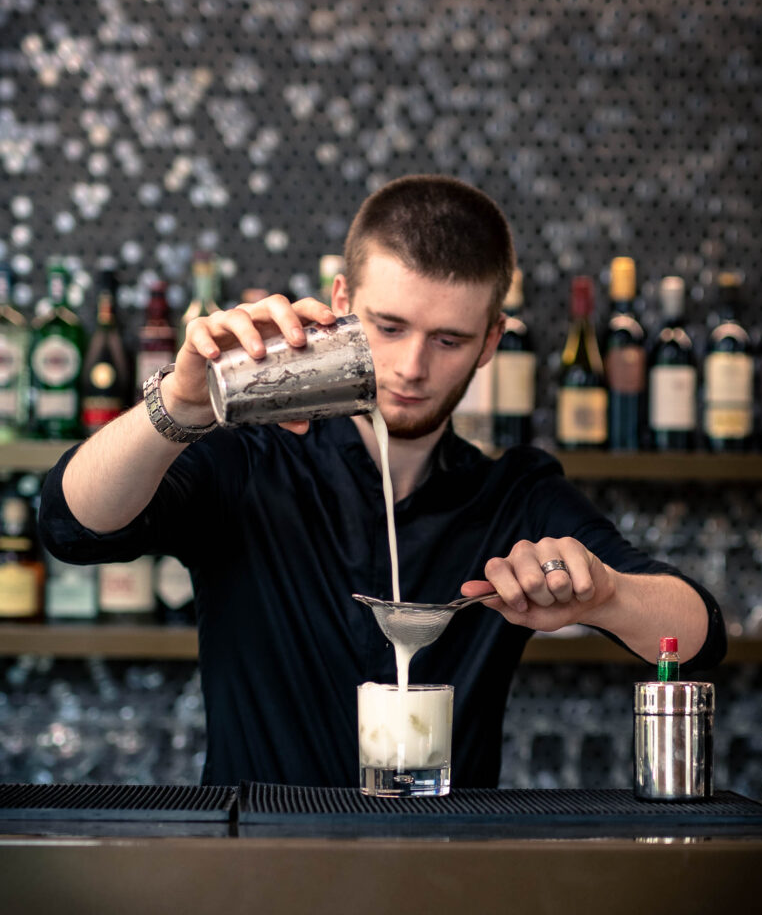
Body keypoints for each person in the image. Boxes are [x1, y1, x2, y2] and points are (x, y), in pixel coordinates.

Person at [38, 174, 726, 788]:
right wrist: (180, 407)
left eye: (449, 340)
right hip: (256, 872)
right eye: (388, 326)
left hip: (443, 879)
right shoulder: (250, 459)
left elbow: (698, 635)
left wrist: (604, 594)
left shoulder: (515, 496)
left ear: (491, 342)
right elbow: (70, 525)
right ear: (341, 301)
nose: (410, 366)